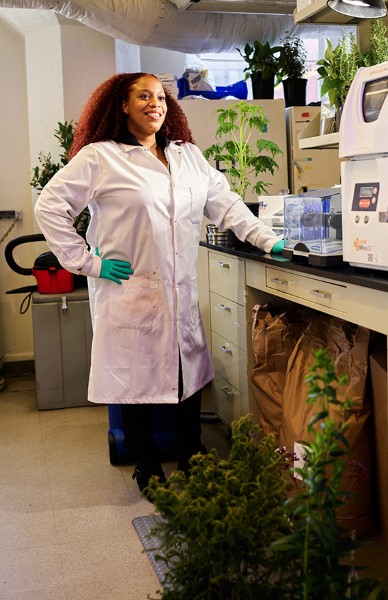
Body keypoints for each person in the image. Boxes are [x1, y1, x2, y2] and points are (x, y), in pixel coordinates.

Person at [34, 72, 284, 499]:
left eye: (160, 96)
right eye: (143, 96)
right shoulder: (101, 157)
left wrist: (269, 239)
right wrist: (87, 263)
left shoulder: (188, 157)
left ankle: (192, 455)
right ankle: (147, 467)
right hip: (130, 291)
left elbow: (226, 205)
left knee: (187, 375)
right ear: (123, 106)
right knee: (134, 384)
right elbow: (49, 207)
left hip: (179, 291)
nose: (155, 103)